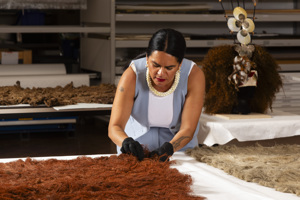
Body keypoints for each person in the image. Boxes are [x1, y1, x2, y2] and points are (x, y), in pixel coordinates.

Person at [108, 28, 205, 161]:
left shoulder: (193, 75)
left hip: (180, 150)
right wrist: (126, 142)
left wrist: (171, 148)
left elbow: (188, 128)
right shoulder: (132, 75)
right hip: (137, 150)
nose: (160, 73)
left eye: (169, 68)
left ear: (180, 64)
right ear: (147, 58)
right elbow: (114, 127)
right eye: (156, 65)